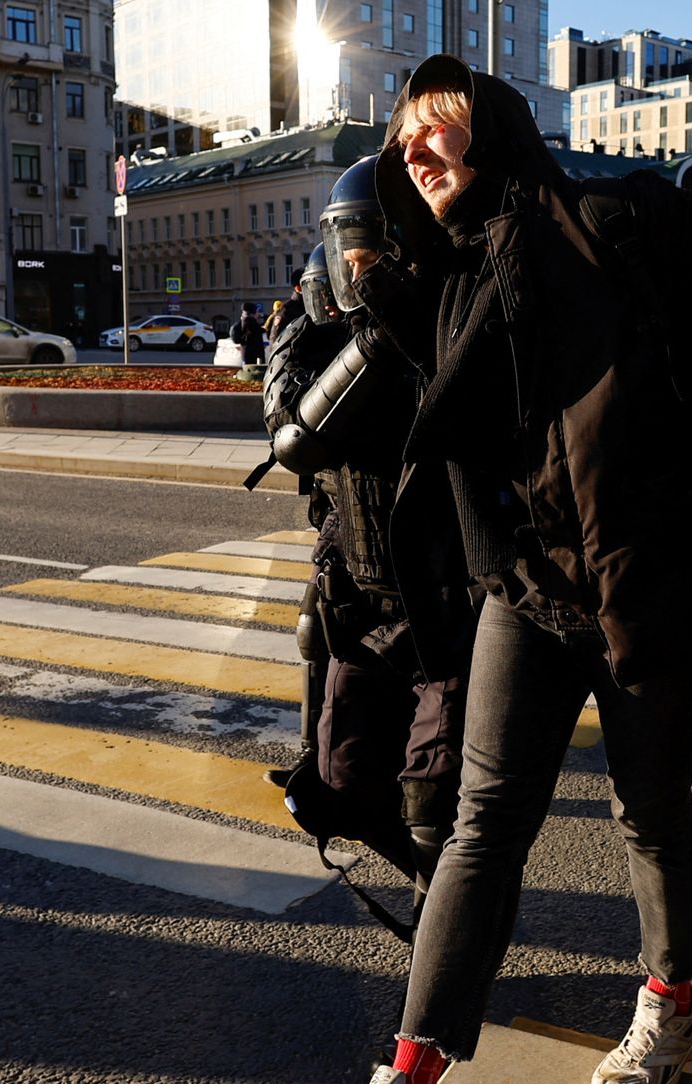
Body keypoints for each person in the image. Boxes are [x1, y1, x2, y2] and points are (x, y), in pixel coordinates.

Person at [305, 54, 692, 1084]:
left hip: (648, 593)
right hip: (526, 590)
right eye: (401, 141)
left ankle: (673, 999)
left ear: (491, 132)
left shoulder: (608, 221)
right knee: (482, 828)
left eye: (433, 130)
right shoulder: (440, 273)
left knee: (649, 809)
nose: (412, 150)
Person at [258, 166, 478, 926]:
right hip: (368, 600)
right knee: (341, 780)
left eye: (373, 247)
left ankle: (442, 931)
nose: (358, 265)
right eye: (347, 247)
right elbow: (292, 434)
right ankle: (445, 891)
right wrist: (323, 332)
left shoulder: (459, 321)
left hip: (451, 611)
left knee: (432, 795)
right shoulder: (329, 330)